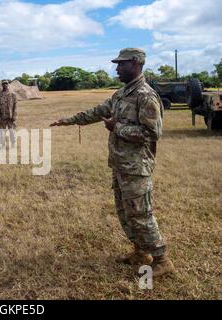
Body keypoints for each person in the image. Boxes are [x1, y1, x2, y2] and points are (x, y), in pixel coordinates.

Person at [50, 48, 175, 277]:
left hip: (137, 167)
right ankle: (140, 252)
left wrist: (116, 127)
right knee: (125, 212)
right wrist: (68, 121)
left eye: (121, 64)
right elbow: (98, 111)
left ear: (136, 64)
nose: (117, 68)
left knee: (141, 213)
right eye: (117, 64)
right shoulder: (121, 94)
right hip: (120, 164)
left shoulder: (145, 96)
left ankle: (162, 259)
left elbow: (152, 133)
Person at [0, 79, 17, 147]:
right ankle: (2, 144)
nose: (5, 85)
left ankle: (13, 143)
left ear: (8, 84)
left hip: (10, 117)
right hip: (2, 117)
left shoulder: (13, 94)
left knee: (12, 131)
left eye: (6, 83)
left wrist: (14, 115)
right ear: (2, 85)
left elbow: (15, 106)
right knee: (2, 132)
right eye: (4, 84)